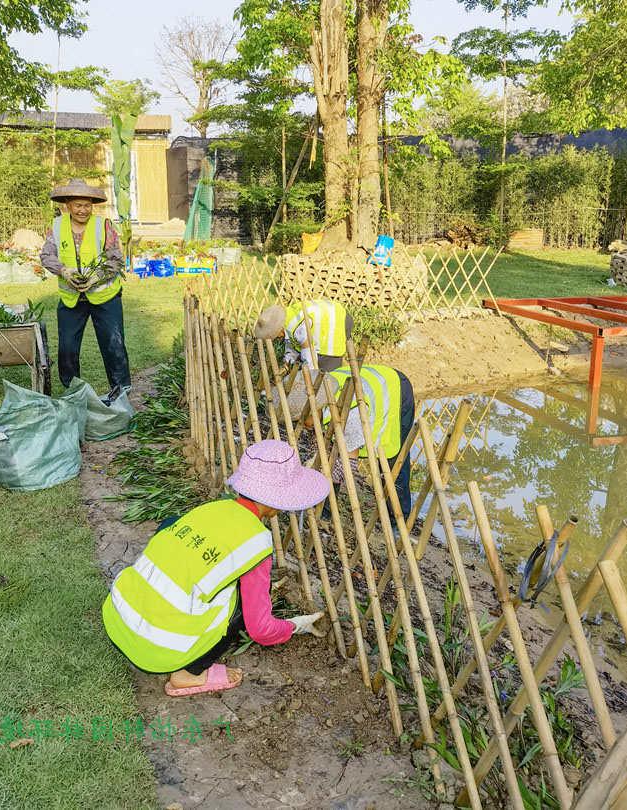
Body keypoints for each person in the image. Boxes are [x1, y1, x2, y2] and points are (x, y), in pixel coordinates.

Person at [103, 440, 330, 696]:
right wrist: (295, 626)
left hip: (119, 617)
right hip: (156, 649)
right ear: (278, 500)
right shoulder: (257, 541)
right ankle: (188, 675)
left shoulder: (213, 508)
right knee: (242, 605)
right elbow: (260, 629)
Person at [278, 364, 415, 519]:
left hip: (395, 391)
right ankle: (325, 508)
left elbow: (347, 466)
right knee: (327, 454)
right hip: (366, 382)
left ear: (315, 409)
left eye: (302, 420)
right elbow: (319, 446)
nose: (300, 424)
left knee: (393, 462)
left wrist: (321, 473)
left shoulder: (351, 415)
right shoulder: (320, 392)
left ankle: (398, 518)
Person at [40, 178, 132, 401]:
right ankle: (74, 393)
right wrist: (64, 271)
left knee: (113, 344)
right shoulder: (57, 226)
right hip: (72, 298)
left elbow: (116, 259)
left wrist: (96, 278)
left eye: (87, 205)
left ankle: (121, 392)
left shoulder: (104, 226)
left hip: (105, 295)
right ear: (68, 205)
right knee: (67, 348)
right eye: (78, 205)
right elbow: (46, 256)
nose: (83, 210)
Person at [254, 299, 353, 372]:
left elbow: (308, 352)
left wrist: (310, 374)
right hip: (330, 315)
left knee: (327, 369)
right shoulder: (287, 318)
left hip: (336, 321)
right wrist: (286, 363)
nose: (277, 338)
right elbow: (291, 345)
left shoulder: (298, 327)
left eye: (275, 335)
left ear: (278, 329)